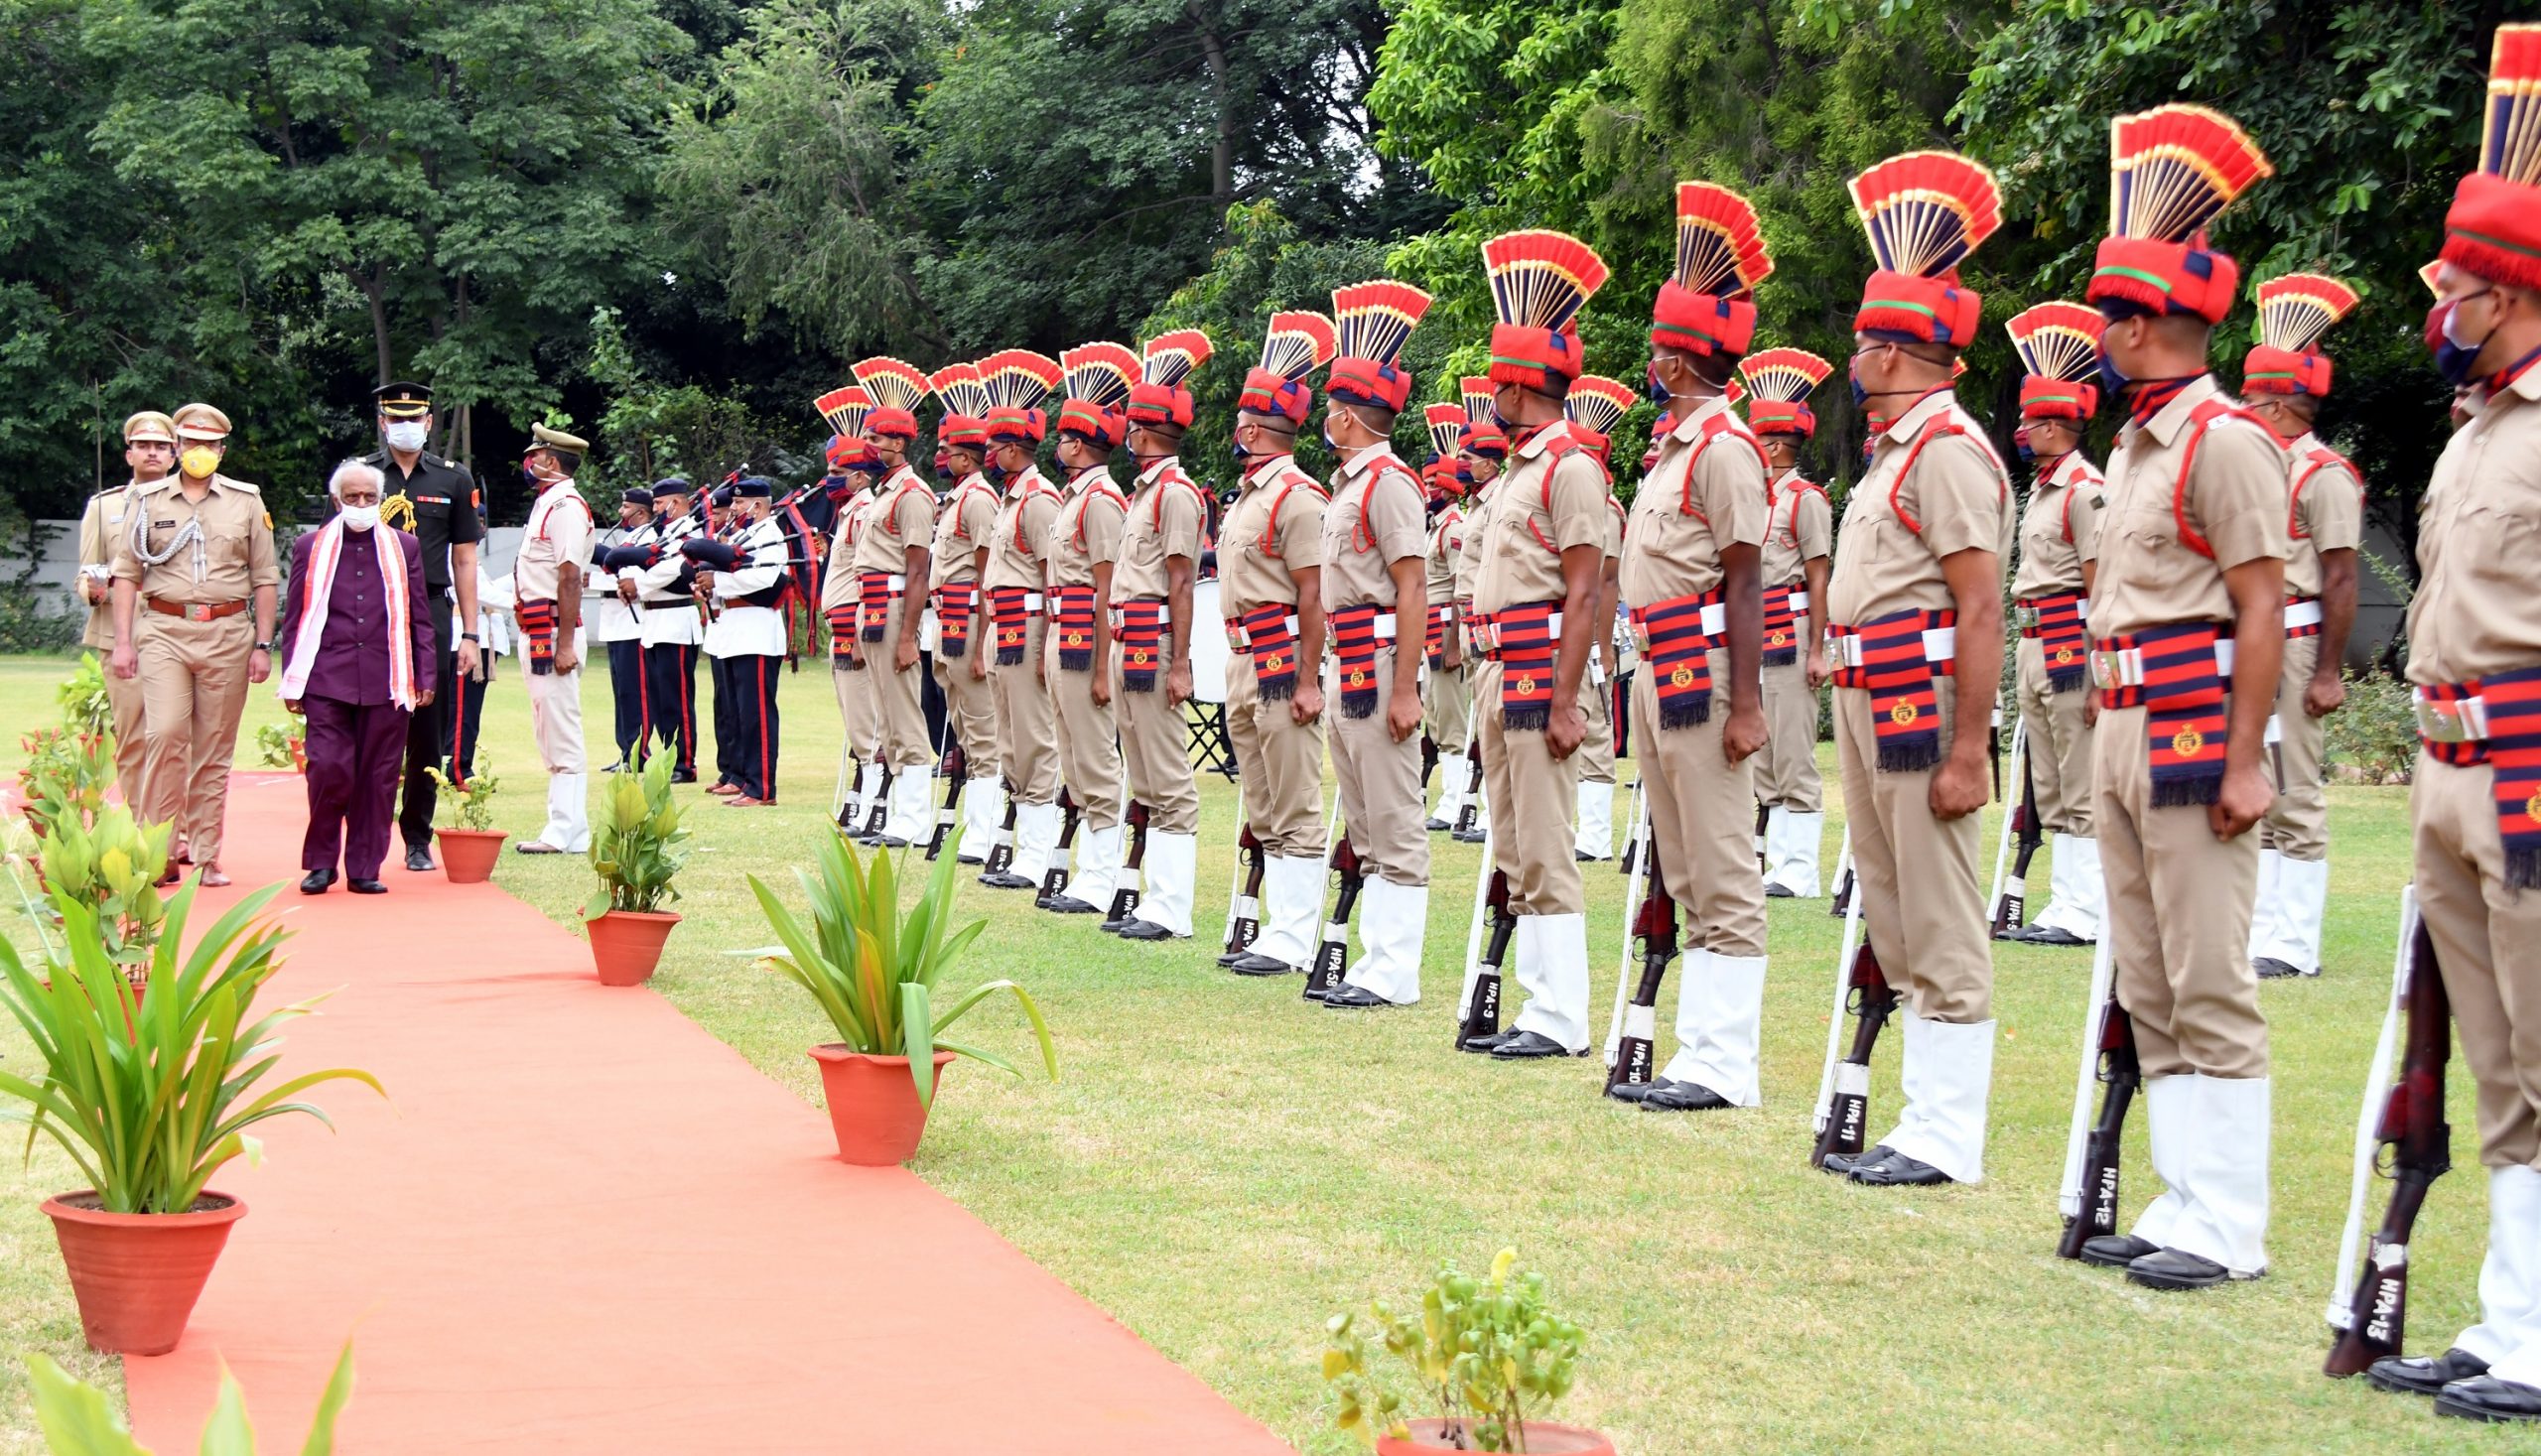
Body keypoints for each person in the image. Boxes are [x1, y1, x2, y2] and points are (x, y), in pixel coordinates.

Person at [2067, 105, 2285, 1288]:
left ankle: (2230, 1221)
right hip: (2117, 721)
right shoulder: (2138, 445)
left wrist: (2248, 758)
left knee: (2206, 967)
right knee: (2145, 972)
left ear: (2147, 322)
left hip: (2196, 720)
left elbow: (2260, 605)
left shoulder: (2225, 441)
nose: (2097, 334)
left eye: (2108, 316)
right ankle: (2182, 1196)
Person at [2368, 25, 2541, 1416]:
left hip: (2532, 767)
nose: (2445, 309)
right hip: (2445, 759)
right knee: (2495, 1064)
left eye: (2461, 287)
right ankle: (2513, 1319)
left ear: (2507, 286)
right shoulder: (2476, 428)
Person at [1816, 154, 2013, 1186]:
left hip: (1918, 694)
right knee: (1891, 906)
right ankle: (1920, 1117)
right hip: (1865, 692)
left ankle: (1946, 1132)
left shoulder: (1947, 452)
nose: (1851, 354)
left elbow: (1980, 604)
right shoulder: (1898, 449)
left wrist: (1968, 745)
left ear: (1896, 351)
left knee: (1935, 906)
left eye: (1862, 339)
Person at [1607, 181, 1774, 1108]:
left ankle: (1726, 1062)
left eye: (1659, 342)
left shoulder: (1725, 448)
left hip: (1706, 673)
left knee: (1719, 861)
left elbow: (1747, 577)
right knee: (1680, 861)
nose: (1649, 353)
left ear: (1680, 356)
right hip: (1656, 668)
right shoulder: (1672, 447)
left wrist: (1747, 704)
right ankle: (1699, 1050)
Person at [1463, 230, 1614, 1060]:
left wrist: (1565, 700)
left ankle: (1561, 1017)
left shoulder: (1570, 468)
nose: (1490, 387)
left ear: (1525, 382)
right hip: (1497, 670)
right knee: (1515, 841)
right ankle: (1539, 1005)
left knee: (1547, 844)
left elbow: (1584, 591)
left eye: (1498, 375)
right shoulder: (1519, 468)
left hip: (1540, 670)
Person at [1310, 283, 1435, 1007]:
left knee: (1394, 814)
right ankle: (1375, 960)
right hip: (1347, 661)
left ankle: (1396, 969)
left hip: (1381, 659)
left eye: (1331, 409)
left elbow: (1411, 586)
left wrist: (1405, 686)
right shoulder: (1349, 483)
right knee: (1363, 817)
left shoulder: (1388, 483)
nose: (1325, 418)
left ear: (1350, 417)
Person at [2240, 274, 2365, 980]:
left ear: (2284, 403)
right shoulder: (2261, 465)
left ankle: (2296, 941)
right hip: (2261, 640)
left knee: (2294, 787)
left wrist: (2327, 670)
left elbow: (2342, 576)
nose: (2247, 407)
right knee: (2255, 781)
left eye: (2256, 399)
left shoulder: (2324, 474)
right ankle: (2262, 932)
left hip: (2296, 642)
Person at [108, 402, 279, 887]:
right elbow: (126, 572)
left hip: (227, 633)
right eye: (191, 443)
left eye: (210, 445)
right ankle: (157, 851)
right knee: (163, 736)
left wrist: (263, 643)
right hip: (164, 629)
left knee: (213, 749)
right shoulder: (147, 499)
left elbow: (265, 577)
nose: (200, 452)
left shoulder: (247, 501)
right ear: (177, 446)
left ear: (221, 450)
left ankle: (205, 854)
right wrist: (123, 642)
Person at [1215, 325, 1332, 971]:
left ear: (1256, 430)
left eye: (1240, 419)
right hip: (1243, 657)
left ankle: (1294, 935)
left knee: (1293, 797)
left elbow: (1313, 595)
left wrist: (1309, 680)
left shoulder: (1298, 497)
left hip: (1284, 656)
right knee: (1261, 799)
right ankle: (1277, 929)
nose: (1236, 428)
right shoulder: (1252, 496)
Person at [2001, 304, 2110, 946]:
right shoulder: (2045, 489)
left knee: (2080, 776)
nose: (2020, 428)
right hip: (2037, 640)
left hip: (2073, 635)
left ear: (2056, 422)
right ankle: (2067, 902)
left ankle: (2086, 907)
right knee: (2049, 778)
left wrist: (2102, 671)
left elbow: (2101, 582)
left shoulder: (2083, 490)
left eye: (2029, 418)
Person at [281, 460, 436, 893]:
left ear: (381, 500)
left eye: (369, 497)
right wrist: (293, 678)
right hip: (326, 678)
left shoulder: (404, 547)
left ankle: (365, 867)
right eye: (352, 497)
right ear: (337, 500)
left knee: (379, 776)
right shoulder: (310, 546)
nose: (361, 504)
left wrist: (425, 674)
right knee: (329, 769)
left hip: (390, 677)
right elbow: (294, 618)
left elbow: (420, 618)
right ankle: (321, 863)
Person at [1110, 333, 1213, 943]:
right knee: (1143, 772)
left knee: (1168, 776)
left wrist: (1181, 664)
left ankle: (1172, 908)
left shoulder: (1174, 493)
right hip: (1130, 638)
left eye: (1129, 425)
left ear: (1144, 434)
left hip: (1155, 638)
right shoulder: (1145, 492)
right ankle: (1155, 900)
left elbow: (1181, 582)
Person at [362, 381, 485, 873]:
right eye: (396, 419)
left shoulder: (454, 479)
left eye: (415, 418)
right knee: (370, 724)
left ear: (431, 423)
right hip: (370, 612)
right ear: (382, 422)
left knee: (427, 729)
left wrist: (471, 634)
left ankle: (417, 835)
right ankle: (366, 833)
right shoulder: (362, 476)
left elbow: (466, 558)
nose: (406, 427)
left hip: (430, 611)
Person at [1036, 346, 1134, 911]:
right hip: (1059, 632)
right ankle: (1089, 871)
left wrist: (1102, 668)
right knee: (1071, 755)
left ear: (1078, 443)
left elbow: (1106, 587)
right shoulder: (1076, 497)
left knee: (1095, 757)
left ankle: (1102, 877)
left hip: (1083, 638)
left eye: (1064, 438)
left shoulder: (1100, 500)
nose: (1058, 445)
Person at [1737, 349, 1835, 898]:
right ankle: (1776, 863)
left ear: (1774, 445)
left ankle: (1801, 869)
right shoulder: (1753, 498)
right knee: (1764, 756)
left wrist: (1818, 649)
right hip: (1754, 633)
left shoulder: (1805, 501)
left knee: (1794, 752)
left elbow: (1819, 577)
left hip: (1792, 630)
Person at [977, 352, 1068, 890]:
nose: (986, 452)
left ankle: (1037, 854)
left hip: (1031, 627)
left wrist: (1043, 648)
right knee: (1010, 740)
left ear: (1013, 448)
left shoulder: (1037, 500)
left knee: (1034, 738)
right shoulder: (1013, 498)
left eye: (992, 445)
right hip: (1003, 628)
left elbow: (1048, 574)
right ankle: (1020, 846)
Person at [848, 358, 940, 845]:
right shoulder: (885, 491)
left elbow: (918, 569)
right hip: (873, 606)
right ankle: (899, 817)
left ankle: (914, 820)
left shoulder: (913, 494)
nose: (871, 445)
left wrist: (909, 636)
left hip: (895, 607)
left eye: (879, 438)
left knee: (905, 714)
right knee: (886, 715)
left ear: (900, 443)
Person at [927, 365, 1008, 860]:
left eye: (947, 452)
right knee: (963, 727)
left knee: (983, 731)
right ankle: (974, 830)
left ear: (965, 456)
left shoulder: (978, 500)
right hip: (948, 621)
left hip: (970, 622)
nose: (941, 459)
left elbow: (985, 576)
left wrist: (982, 645)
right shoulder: (958, 498)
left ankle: (984, 832)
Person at [78, 411, 175, 808]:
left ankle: (176, 827)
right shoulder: (104, 507)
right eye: (143, 446)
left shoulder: (192, 502)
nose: (152, 453)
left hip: (176, 632)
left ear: (174, 455)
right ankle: (140, 824)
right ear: (128, 454)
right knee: (134, 735)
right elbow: (85, 575)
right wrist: (97, 586)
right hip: (124, 635)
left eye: (160, 447)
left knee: (174, 735)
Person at [1559, 378, 1636, 863]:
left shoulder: (1604, 509)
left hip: (1591, 638)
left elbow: (1606, 581)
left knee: (1595, 731)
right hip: (1569, 633)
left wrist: (1603, 648)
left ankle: (1594, 836)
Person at [510, 424, 596, 854]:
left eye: (536, 456)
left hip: (551, 632)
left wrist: (564, 644)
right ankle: (568, 829)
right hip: (536, 628)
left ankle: (565, 830)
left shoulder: (565, 507)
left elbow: (568, 578)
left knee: (561, 730)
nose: (530, 463)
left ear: (553, 462)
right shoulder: (548, 503)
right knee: (550, 728)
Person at [695, 477, 792, 807]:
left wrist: (718, 579)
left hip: (757, 630)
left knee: (757, 715)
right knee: (737, 712)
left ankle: (762, 788)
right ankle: (742, 778)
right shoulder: (745, 534)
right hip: (735, 630)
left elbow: (764, 577)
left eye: (739, 503)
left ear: (758, 505)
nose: (732, 508)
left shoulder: (770, 535)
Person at [1446, 379, 1507, 844]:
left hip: (1494, 627)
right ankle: (1485, 811)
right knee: (1482, 726)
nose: (1460, 464)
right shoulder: (1475, 506)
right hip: (1471, 624)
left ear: (1489, 461)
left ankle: (1492, 814)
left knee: (1497, 727)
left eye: (1467, 458)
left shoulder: (1499, 500)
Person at [626, 479, 704, 781]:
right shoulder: (664, 531)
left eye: (659, 503)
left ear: (676, 502)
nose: (655, 509)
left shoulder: (689, 531)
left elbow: (673, 566)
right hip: (654, 622)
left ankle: (684, 763)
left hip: (676, 620)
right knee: (659, 700)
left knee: (677, 699)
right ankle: (669, 757)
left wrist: (640, 583)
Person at [1418, 408, 1472, 833]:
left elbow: (1459, 586)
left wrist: (1455, 644)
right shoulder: (1435, 526)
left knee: (1453, 721)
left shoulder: (1453, 527)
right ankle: (1449, 798)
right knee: (1437, 718)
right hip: (1432, 629)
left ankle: (1456, 802)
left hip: (1447, 630)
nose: (1427, 489)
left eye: (1434, 483)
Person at [591, 486, 651, 774]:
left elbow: (632, 580)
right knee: (620, 694)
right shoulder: (630, 538)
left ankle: (639, 753)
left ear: (641, 511)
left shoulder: (650, 538)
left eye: (626, 507)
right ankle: (626, 751)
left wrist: (591, 580)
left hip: (633, 625)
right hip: (615, 625)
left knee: (633, 693)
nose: (620, 512)